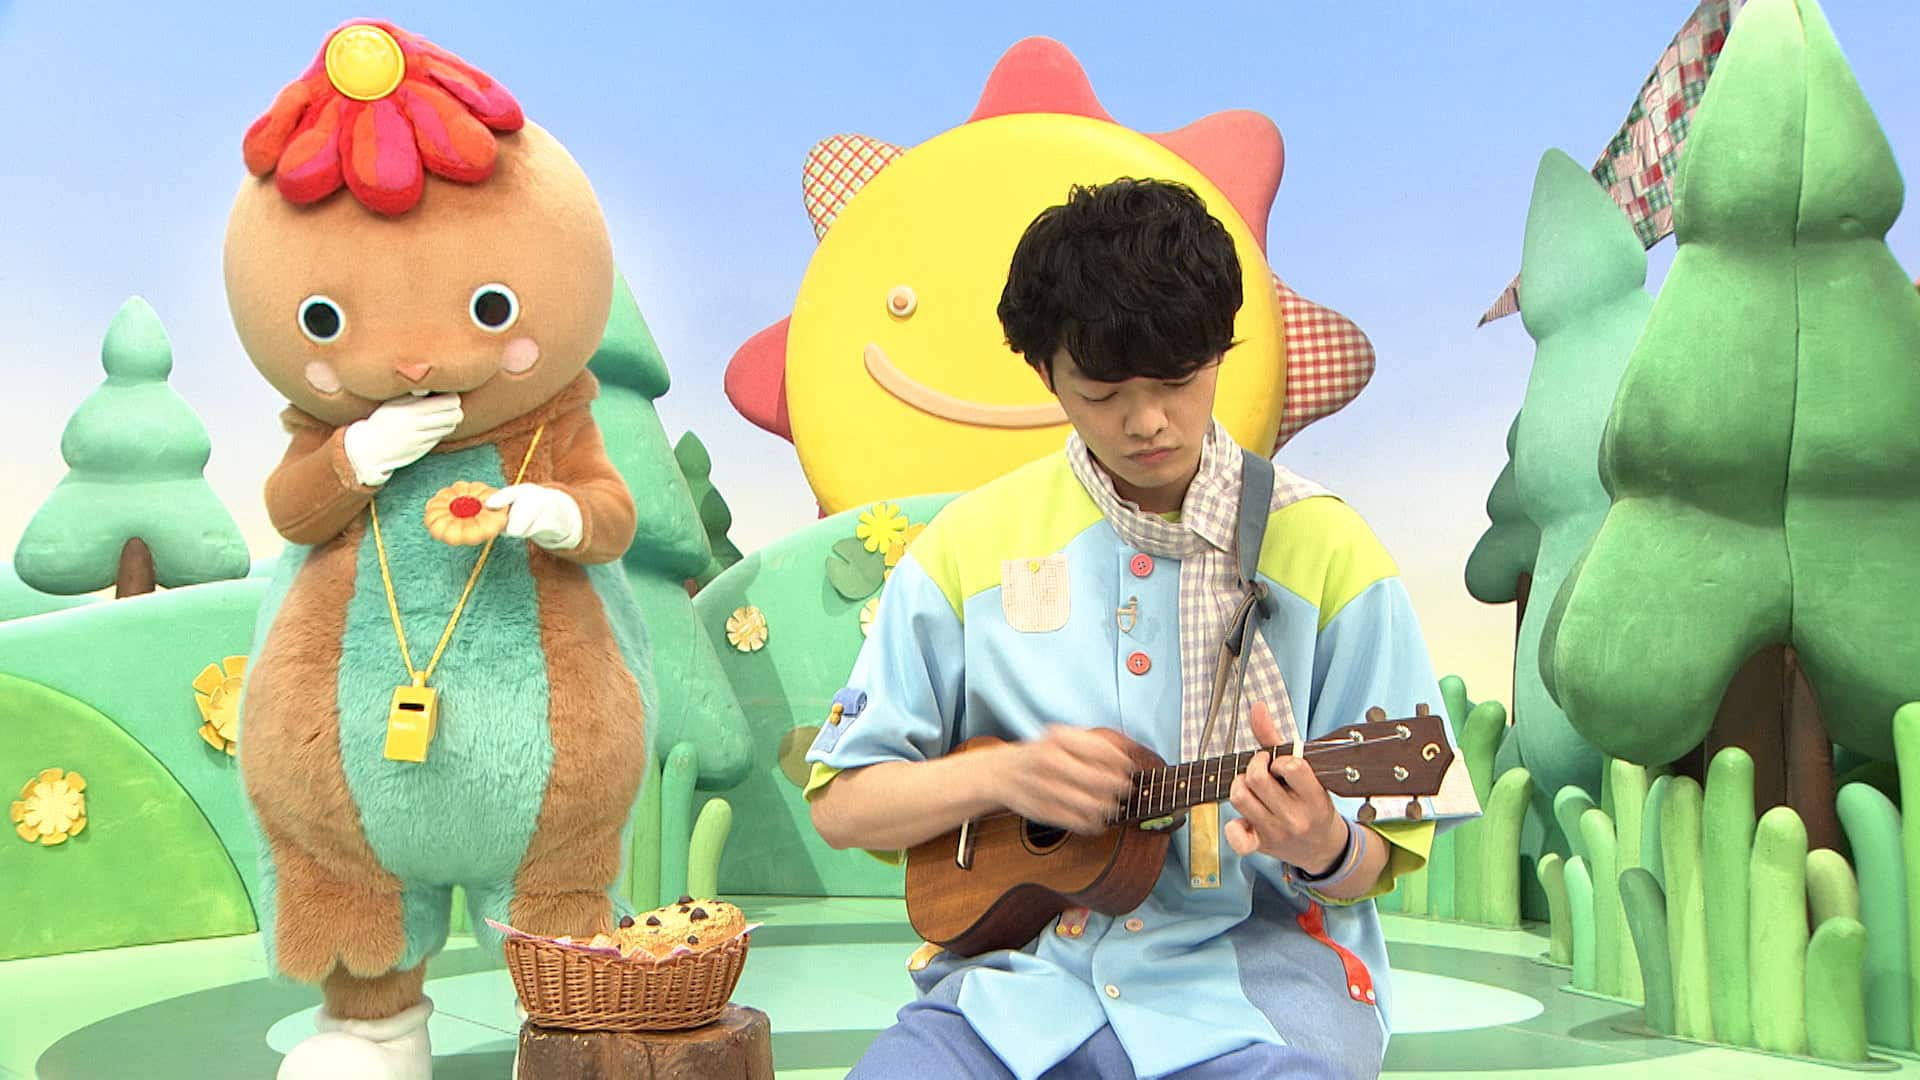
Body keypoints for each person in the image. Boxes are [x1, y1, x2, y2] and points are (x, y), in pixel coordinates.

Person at [804, 177, 1477, 1080]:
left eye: (1177, 381)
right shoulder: (968, 545)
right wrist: (1003, 774)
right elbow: (843, 803)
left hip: (1254, 1005)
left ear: (1221, 352)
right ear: (1046, 373)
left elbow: (1375, 853)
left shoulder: (1328, 550)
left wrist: (1323, 843)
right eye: (1104, 390)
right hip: (1013, 995)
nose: (1148, 421)